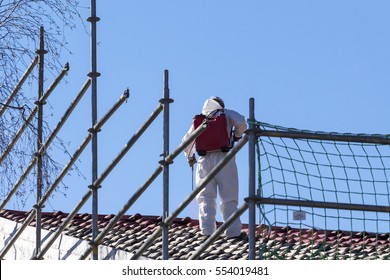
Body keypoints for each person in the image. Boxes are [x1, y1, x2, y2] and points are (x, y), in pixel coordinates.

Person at [182, 96, 247, 238]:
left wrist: (190, 157)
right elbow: (242, 122)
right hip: (225, 158)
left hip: (204, 160)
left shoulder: (200, 120)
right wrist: (236, 136)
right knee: (229, 196)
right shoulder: (226, 114)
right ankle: (232, 232)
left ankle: (207, 232)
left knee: (206, 198)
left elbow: (186, 141)